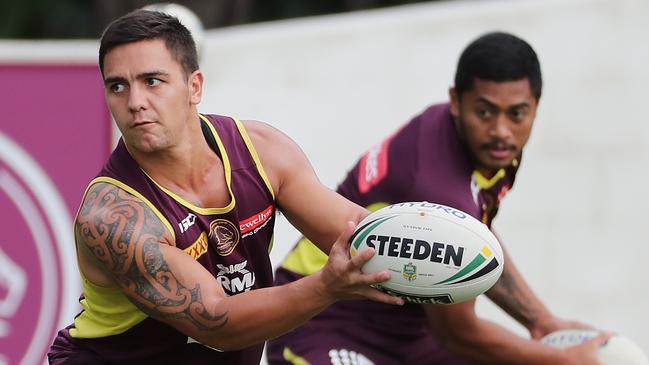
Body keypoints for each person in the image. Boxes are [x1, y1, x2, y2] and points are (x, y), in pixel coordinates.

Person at [47, 9, 405, 365]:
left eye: (152, 81)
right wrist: (326, 286)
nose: (135, 102)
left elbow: (360, 236)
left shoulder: (261, 151)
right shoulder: (113, 217)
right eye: (118, 86)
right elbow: (218, 323)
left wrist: (438, 257)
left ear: (194, 86)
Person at [267, 32, 609, 365]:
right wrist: (560, 359)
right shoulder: (437, 188)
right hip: (325, 327)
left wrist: (540, 322)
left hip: (408, 334)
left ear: (535, 108)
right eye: (485, 112)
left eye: (517, 114)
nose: (501, 131)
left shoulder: (479, 146)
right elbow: (458, 334)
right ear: (456, 101)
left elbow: (478, 245)